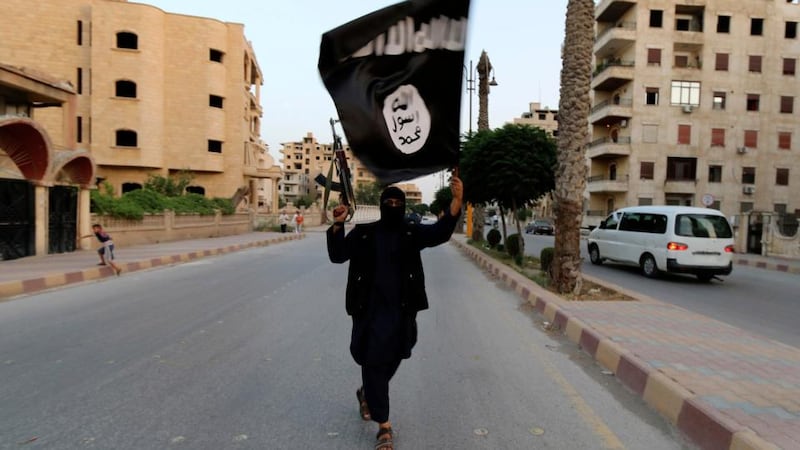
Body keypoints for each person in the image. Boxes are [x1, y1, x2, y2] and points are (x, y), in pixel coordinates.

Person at [326, 175, 463, 450]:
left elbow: (440, 232)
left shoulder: (411, 232)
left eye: (397, 202)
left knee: (398, 353)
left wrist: (457, 200)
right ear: (381, 205)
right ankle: (384, 426)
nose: (392, 205)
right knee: (374, 363)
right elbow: (338, 255)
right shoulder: (365, 233)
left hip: (402, 312)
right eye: (388, 202)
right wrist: (338, 224)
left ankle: (368, 392)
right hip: (369, 312)